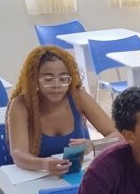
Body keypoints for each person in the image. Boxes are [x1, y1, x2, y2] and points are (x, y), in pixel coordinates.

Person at [7, 46, 119, 176]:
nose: (56, 85)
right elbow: (18, 154)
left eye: (63, 79)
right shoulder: (20, 105)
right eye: (48, 79)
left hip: (75, 177)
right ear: (34, 79)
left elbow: (117, 135)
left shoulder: (78, 97)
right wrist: (44, 164)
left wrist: (93, 145)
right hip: (38, 176)